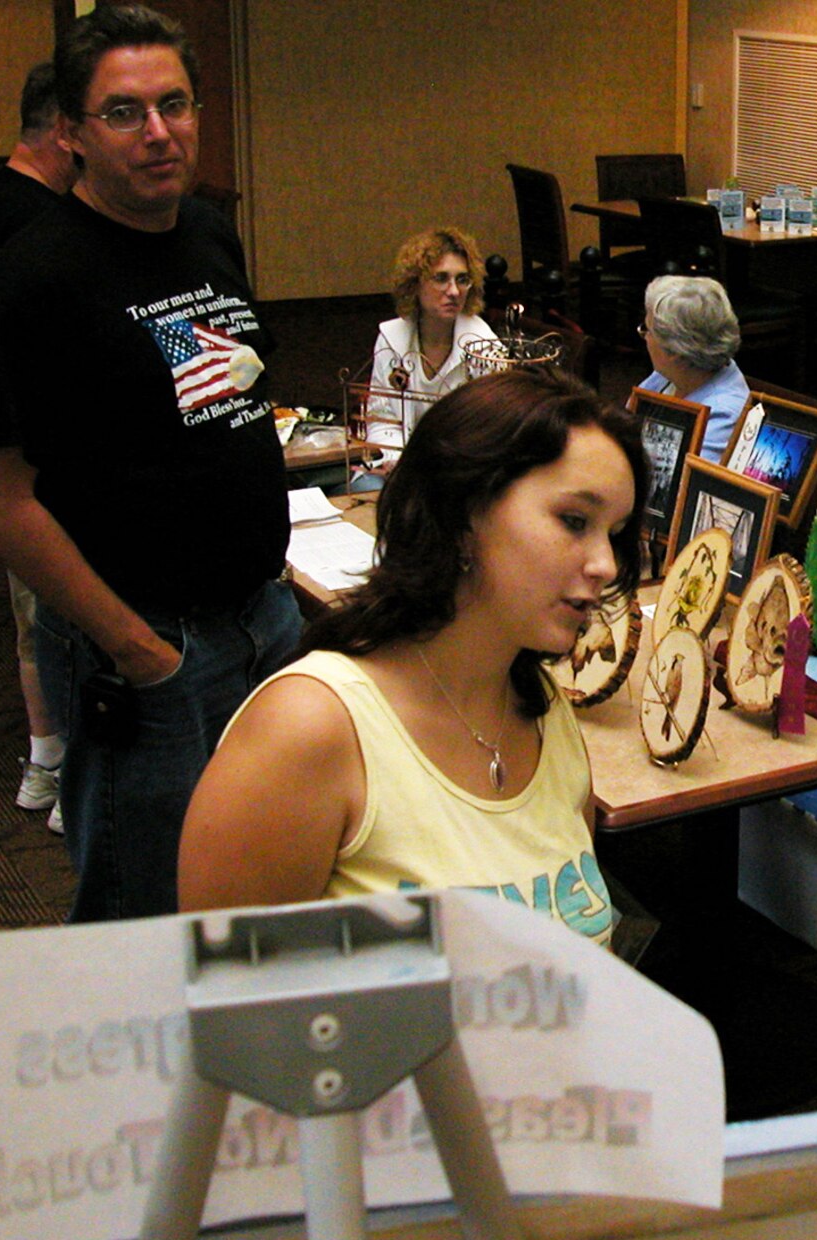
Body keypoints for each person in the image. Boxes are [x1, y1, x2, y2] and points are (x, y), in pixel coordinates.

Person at [0, 5, 301, 922]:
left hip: (263, 618)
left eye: (174, 105)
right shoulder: (34, 276)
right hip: (149, 647)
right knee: (141, 909)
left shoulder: (208, 232)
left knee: (258, 878)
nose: (158, 132)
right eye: (124, 112)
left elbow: (224, 397)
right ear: (71, 133)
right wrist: (135, 649)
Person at [178, 369, 646, 947]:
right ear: (462, 513)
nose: (605, 564)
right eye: (574, 521)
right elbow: (230, 991)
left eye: (614, 533)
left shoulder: (544, 710)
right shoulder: (309, 729)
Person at [0, 62, 78, 834]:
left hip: (8, 452)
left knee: (35, 621)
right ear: (66, 131)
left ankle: (46, 759)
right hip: (38, 467)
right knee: (62, 620)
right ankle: (71, 781)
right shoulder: (37, 226)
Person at [362, 226, 500, 473]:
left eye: (462, 280)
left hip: (463, 470)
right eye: (440, 278)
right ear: (415, 284)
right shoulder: (391, 338)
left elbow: (494, 430)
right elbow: (381, 420)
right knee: (360, 486)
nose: (454, 291)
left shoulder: (484, 345)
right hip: (402, 468)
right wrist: (401, 464)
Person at [637, 273, 750, 465]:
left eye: (647, 330)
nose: (645, 338)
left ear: (674, 351)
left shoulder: (723, 415)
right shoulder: (668, 376)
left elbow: (686, 479)